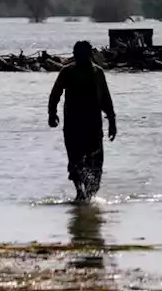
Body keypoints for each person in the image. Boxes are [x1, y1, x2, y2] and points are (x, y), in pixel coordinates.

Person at [48, 41, 117, 203]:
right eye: (78, 55)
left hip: (93, 126)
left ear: (89, 55)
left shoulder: (97, 72)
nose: (81, 58)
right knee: (75, 160)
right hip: (73, 126)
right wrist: (52, 114)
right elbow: (55, 93)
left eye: (84, 55)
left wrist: (112, 121)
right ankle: (80, 192)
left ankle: (90, 194)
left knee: (95, 163)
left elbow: (106, 98)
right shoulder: (67, 72)